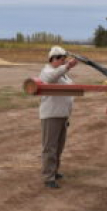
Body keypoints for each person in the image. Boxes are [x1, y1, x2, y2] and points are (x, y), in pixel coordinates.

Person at [38, 46, 77, 189]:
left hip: (62, 115)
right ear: (52, 59)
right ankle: (48, 177)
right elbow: (51, 78)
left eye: (64, 59)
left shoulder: (63, 74)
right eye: (61, 59)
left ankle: (54, 171)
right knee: (50, 148)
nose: (63, 61)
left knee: (59, 147)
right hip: (51, 115)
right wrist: (67, 66)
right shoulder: (47, 72)